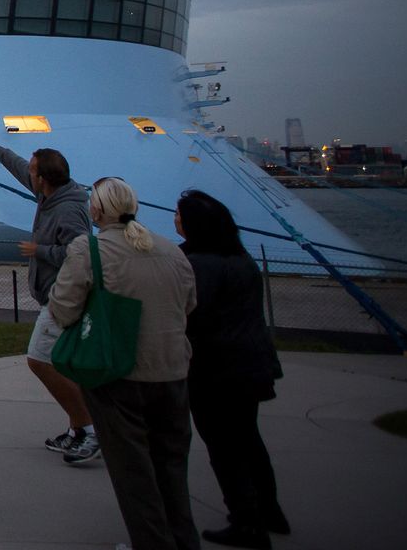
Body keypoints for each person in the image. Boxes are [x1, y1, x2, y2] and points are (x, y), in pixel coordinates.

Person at [49, 177, 199, 550]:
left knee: (134, 472)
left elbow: (63, 308)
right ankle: (184, 541)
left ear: (95, 210)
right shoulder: (171, 250)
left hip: (119, 373)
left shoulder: (90, 249)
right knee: (172, 467)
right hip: (173, 373)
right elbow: (189, 305)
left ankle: (151, 543)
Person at [0, 131, 98, 462]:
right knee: (64, 364)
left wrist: (38, 250)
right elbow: (18, 167)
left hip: (62, 297)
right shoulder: (52, 195)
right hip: (54, 294)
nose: (29, 172)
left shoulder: (68, 210)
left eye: (34, 170)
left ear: (43, 179)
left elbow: (79, 252)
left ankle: (90, 428)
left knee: (39, 360)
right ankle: (78, 429)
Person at [177, 190, 288, 549]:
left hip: (217, 369)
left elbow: (192, 314)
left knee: (225, 448)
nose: (176, 220)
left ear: (196, 224)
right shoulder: (241, 260)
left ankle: (247, 523)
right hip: (252, 363)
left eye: (181, 215)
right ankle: (270, 511)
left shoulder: (200, 265)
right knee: (249, 439)